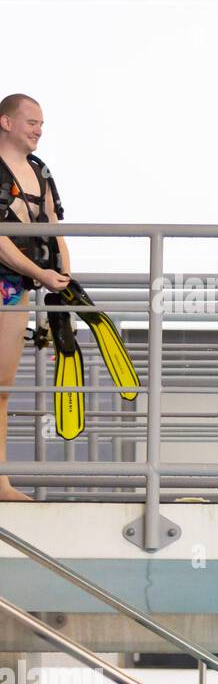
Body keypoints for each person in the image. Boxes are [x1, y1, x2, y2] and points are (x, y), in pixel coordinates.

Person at [0, 93, 70, 501]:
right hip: (12, 279)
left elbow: (55, 223)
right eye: (31, 121)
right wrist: (39, 272)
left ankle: (1, 480)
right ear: (6, 123)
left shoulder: (40, 170)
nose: (38, 129)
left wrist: (63, 269)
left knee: (3, 385)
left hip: (17, 288)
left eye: (41, 123)